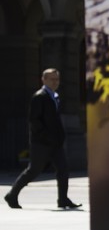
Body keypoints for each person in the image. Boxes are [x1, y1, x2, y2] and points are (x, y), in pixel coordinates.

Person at [4, 68, 81, 210]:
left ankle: (63, 199)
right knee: (33, 170)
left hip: (55, 143)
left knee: (63, 169)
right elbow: (34, 121)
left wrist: (59, 137)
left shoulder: (55, 96)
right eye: (51, 79)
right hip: (41, 143)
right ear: (43, 80)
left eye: (57, 79)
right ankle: (12, 195)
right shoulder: (39, 96)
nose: (55, 82)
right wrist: (46, 137)